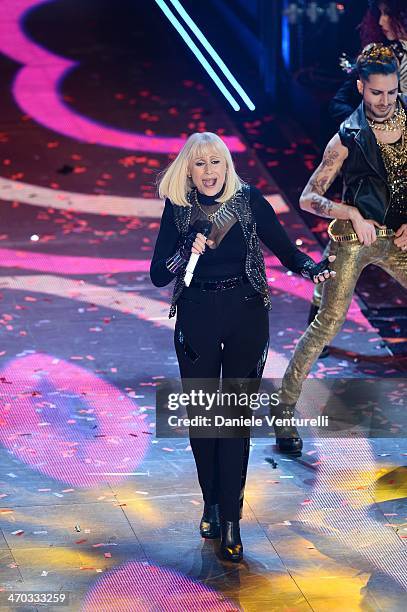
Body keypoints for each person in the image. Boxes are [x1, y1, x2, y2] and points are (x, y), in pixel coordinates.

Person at [150, 132, 335, 562]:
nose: (210, 172)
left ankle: (232, 519)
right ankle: (211, 503)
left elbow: (286, 249)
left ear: (227, 166)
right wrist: (184, 249)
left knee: (233, 420)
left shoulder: (247, 200)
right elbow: (160, 274)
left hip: (246, 315)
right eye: (200, 164)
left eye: (216, 163)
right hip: (197, 317)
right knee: (205, 419)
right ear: (189, 170)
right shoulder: (178, 208)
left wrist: (311, 269)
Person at [279, 44, 407, 437]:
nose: (384, 101)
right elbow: (308, 197)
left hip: (399, 239)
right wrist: (351, 213)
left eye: (391, 92)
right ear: (360, 88)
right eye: (375, 93)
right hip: (354, 238)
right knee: (328, 322)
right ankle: (284, 408)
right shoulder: (346, 137)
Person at [309, 0, 407, 355]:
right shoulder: (378, 56)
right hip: (371, 169)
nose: (381, 21)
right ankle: (316, 322)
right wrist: (362, 133)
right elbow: (340, 102)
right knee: (342, 247)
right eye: (378, 13)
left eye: (388, 13)